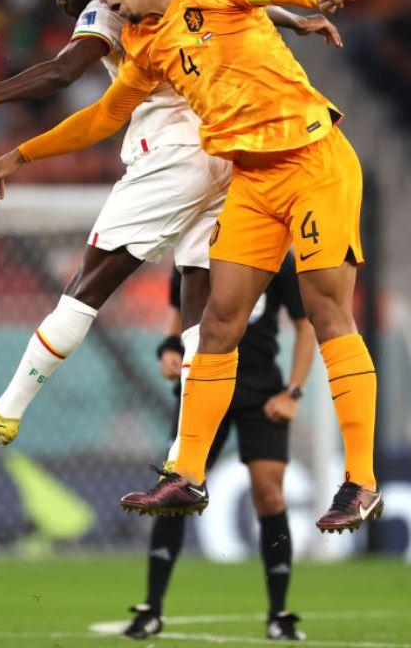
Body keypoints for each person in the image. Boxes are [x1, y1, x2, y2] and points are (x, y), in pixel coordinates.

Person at [0, 0, 380, 533]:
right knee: (217, 323)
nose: (104, 0)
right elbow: (102, 116)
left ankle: (361, 482)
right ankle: (187, 473)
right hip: (252, 181)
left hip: (315, 161)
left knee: (327, 311)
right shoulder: (146, 43)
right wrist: (20, 156)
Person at [124, 254, 314, 641]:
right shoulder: (194, 250)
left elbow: (305, 325)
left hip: (261, 389)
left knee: (270, 494)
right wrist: (168, 351)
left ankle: (279, 613)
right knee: (175, 489)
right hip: (204, 387)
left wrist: (293, 391)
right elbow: (178, 322)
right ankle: (151, 609)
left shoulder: (278, 256)